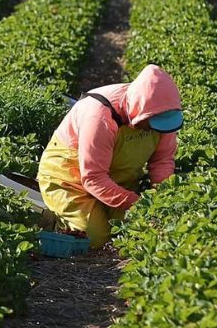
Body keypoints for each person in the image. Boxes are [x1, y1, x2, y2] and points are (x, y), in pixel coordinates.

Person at [37, 65, 183, 249]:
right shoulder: (100, 117)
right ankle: (50, 216)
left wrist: (162, 198)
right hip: (71, 180)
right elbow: (93, 178)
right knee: (94, 238)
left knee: (136, 230)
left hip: (118, 182)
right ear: (139, 112)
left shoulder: (161, 111)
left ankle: (100, 211)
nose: (154, 128)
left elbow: (162, 160)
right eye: (150, 123)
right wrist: (136, 204)